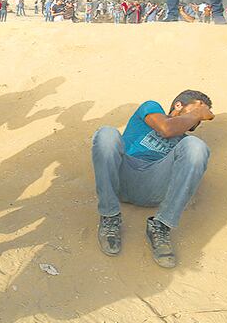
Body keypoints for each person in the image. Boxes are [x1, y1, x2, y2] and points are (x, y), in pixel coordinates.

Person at [92, 90, 214, 268]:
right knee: (106, 134)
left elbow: (188, 155)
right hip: (121, 177)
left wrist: (195, 113)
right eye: (198, 110)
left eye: (201, 116)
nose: (198, 118)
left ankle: (161, 225)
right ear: (178, 105)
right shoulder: (151, 108)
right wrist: (198, 112)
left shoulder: (185, 145)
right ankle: (109, 216)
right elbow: (166, 128)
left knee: (197, 147)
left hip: (154, 188)